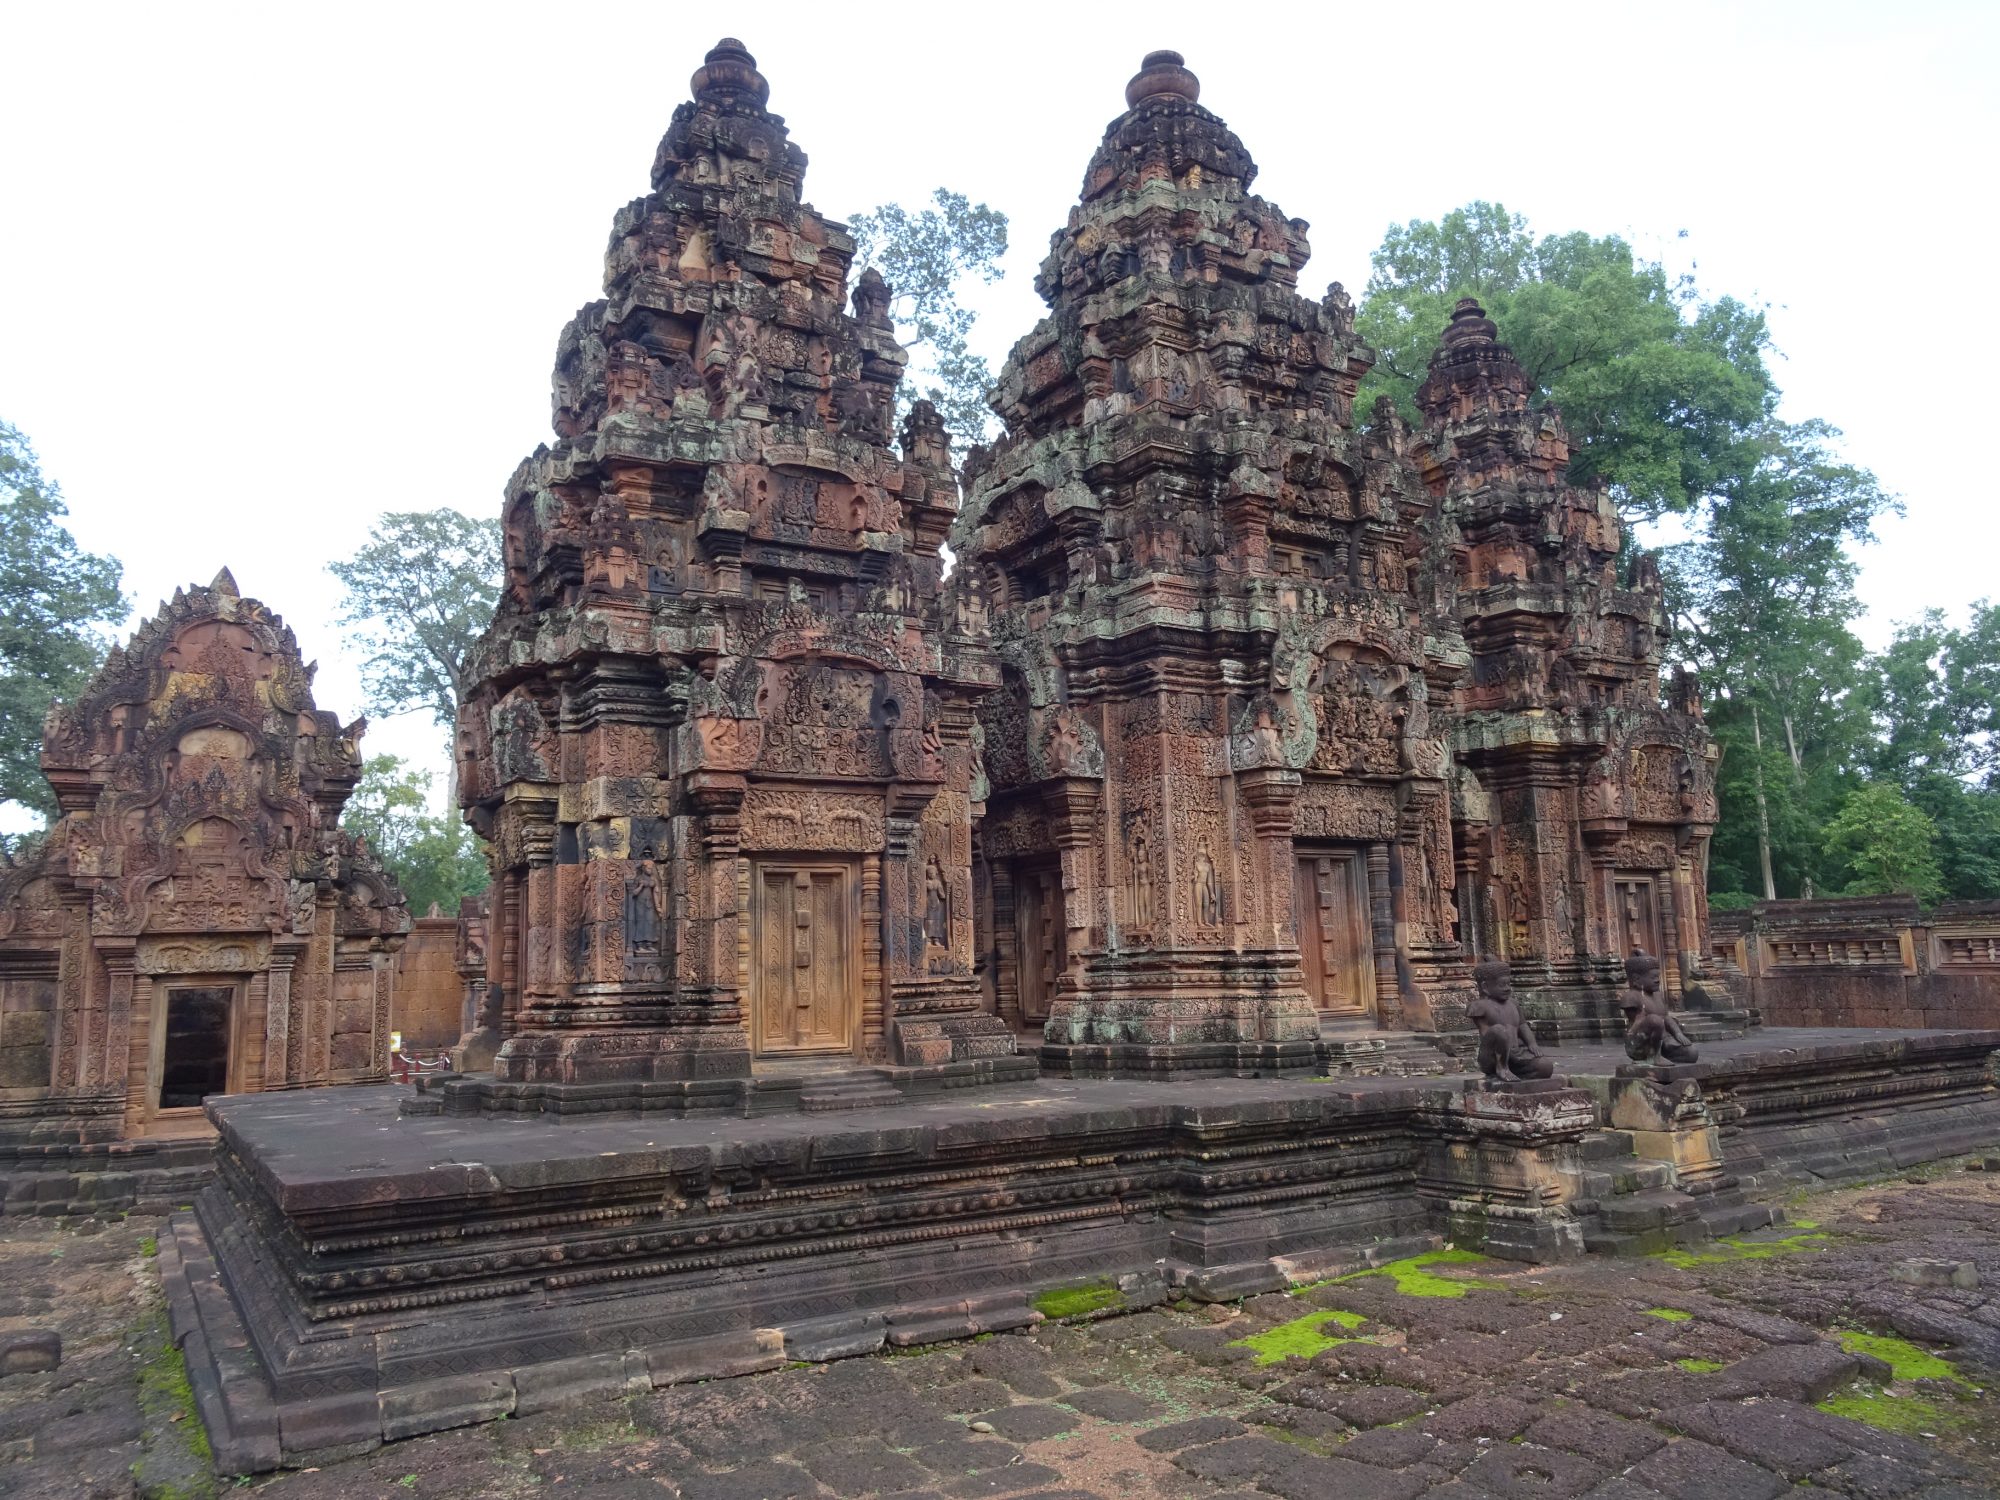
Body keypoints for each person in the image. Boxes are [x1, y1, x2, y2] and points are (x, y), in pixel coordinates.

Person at [1466, 957, 1555, 1082]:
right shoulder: (1480, 1006)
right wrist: (1504, 1047)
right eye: (1502, 985)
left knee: (1545, 1066)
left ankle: (1518, 1078)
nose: (1507, 988)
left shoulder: (1513, 1004)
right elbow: (1487, 1034)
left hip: (1517, 1055)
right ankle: (1501, 1069)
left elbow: (1523, 1025)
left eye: (1509, 984)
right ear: (1485, 987)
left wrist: (1531, 1044)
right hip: (1493, 1057)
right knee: (1498, 1030)